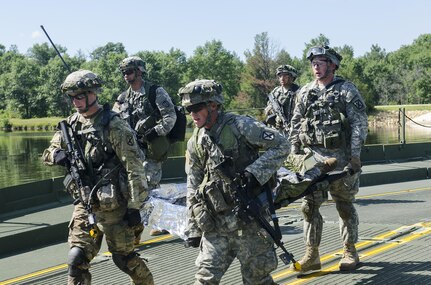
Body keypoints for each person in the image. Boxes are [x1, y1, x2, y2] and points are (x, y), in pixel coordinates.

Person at [42, 70, 154, 285]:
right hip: (85, 203)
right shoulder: (70, 125)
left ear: (93, 94)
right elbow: (48, 153)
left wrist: (135, 207)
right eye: (72, 97)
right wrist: (57, 155)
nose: (75, 101)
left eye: (80, 96)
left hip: (116, 208)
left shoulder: (114, 125)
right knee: (77, 259)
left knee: (124, 259)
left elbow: (134, 168)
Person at [179, 79, 290, 285]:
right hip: (216, 224)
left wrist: (254, 173)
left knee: (257, 279)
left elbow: (282, 145)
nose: (192, 114)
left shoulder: (241, 126)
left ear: (213, 105)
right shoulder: (195, 141)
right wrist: (193, 227)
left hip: (249, 221)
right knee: (204, 280)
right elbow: (193, 184)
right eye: (188, 110)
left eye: (197, 108)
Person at [289, 46, 368, 273]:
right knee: (309, 206)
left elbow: (359, 125)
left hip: (342, 160)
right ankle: (312, 254)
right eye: (313, 62)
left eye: (321, 62)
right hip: (313, 159)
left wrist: (354, 157)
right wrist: (293, 155)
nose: (316, 66)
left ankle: (350, 250)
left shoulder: (346, 91)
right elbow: (295, 124)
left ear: (332, 64)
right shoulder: (304, 92)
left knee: (344, 205)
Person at [114, 56, 176, 238]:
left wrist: (156, 132)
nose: (126, 75)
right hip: (132, 150)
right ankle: (137, 223)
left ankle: (159, 223)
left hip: (151, 146)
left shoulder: (155, 92)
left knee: (151, 185)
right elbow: (114, 120)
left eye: (129, 71)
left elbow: (170, 117)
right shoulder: (123, 97)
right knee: (132, 186)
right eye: (124, 72)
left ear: (139, 71)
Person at [264, 64, 300, 137]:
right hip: (276, 129)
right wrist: (275, 114)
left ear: (292, 77)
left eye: (285, 76)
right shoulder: (275, 92)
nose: (282, 78)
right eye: (280, 76)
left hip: (293, 129)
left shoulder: (299, 91)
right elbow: (267, 109)